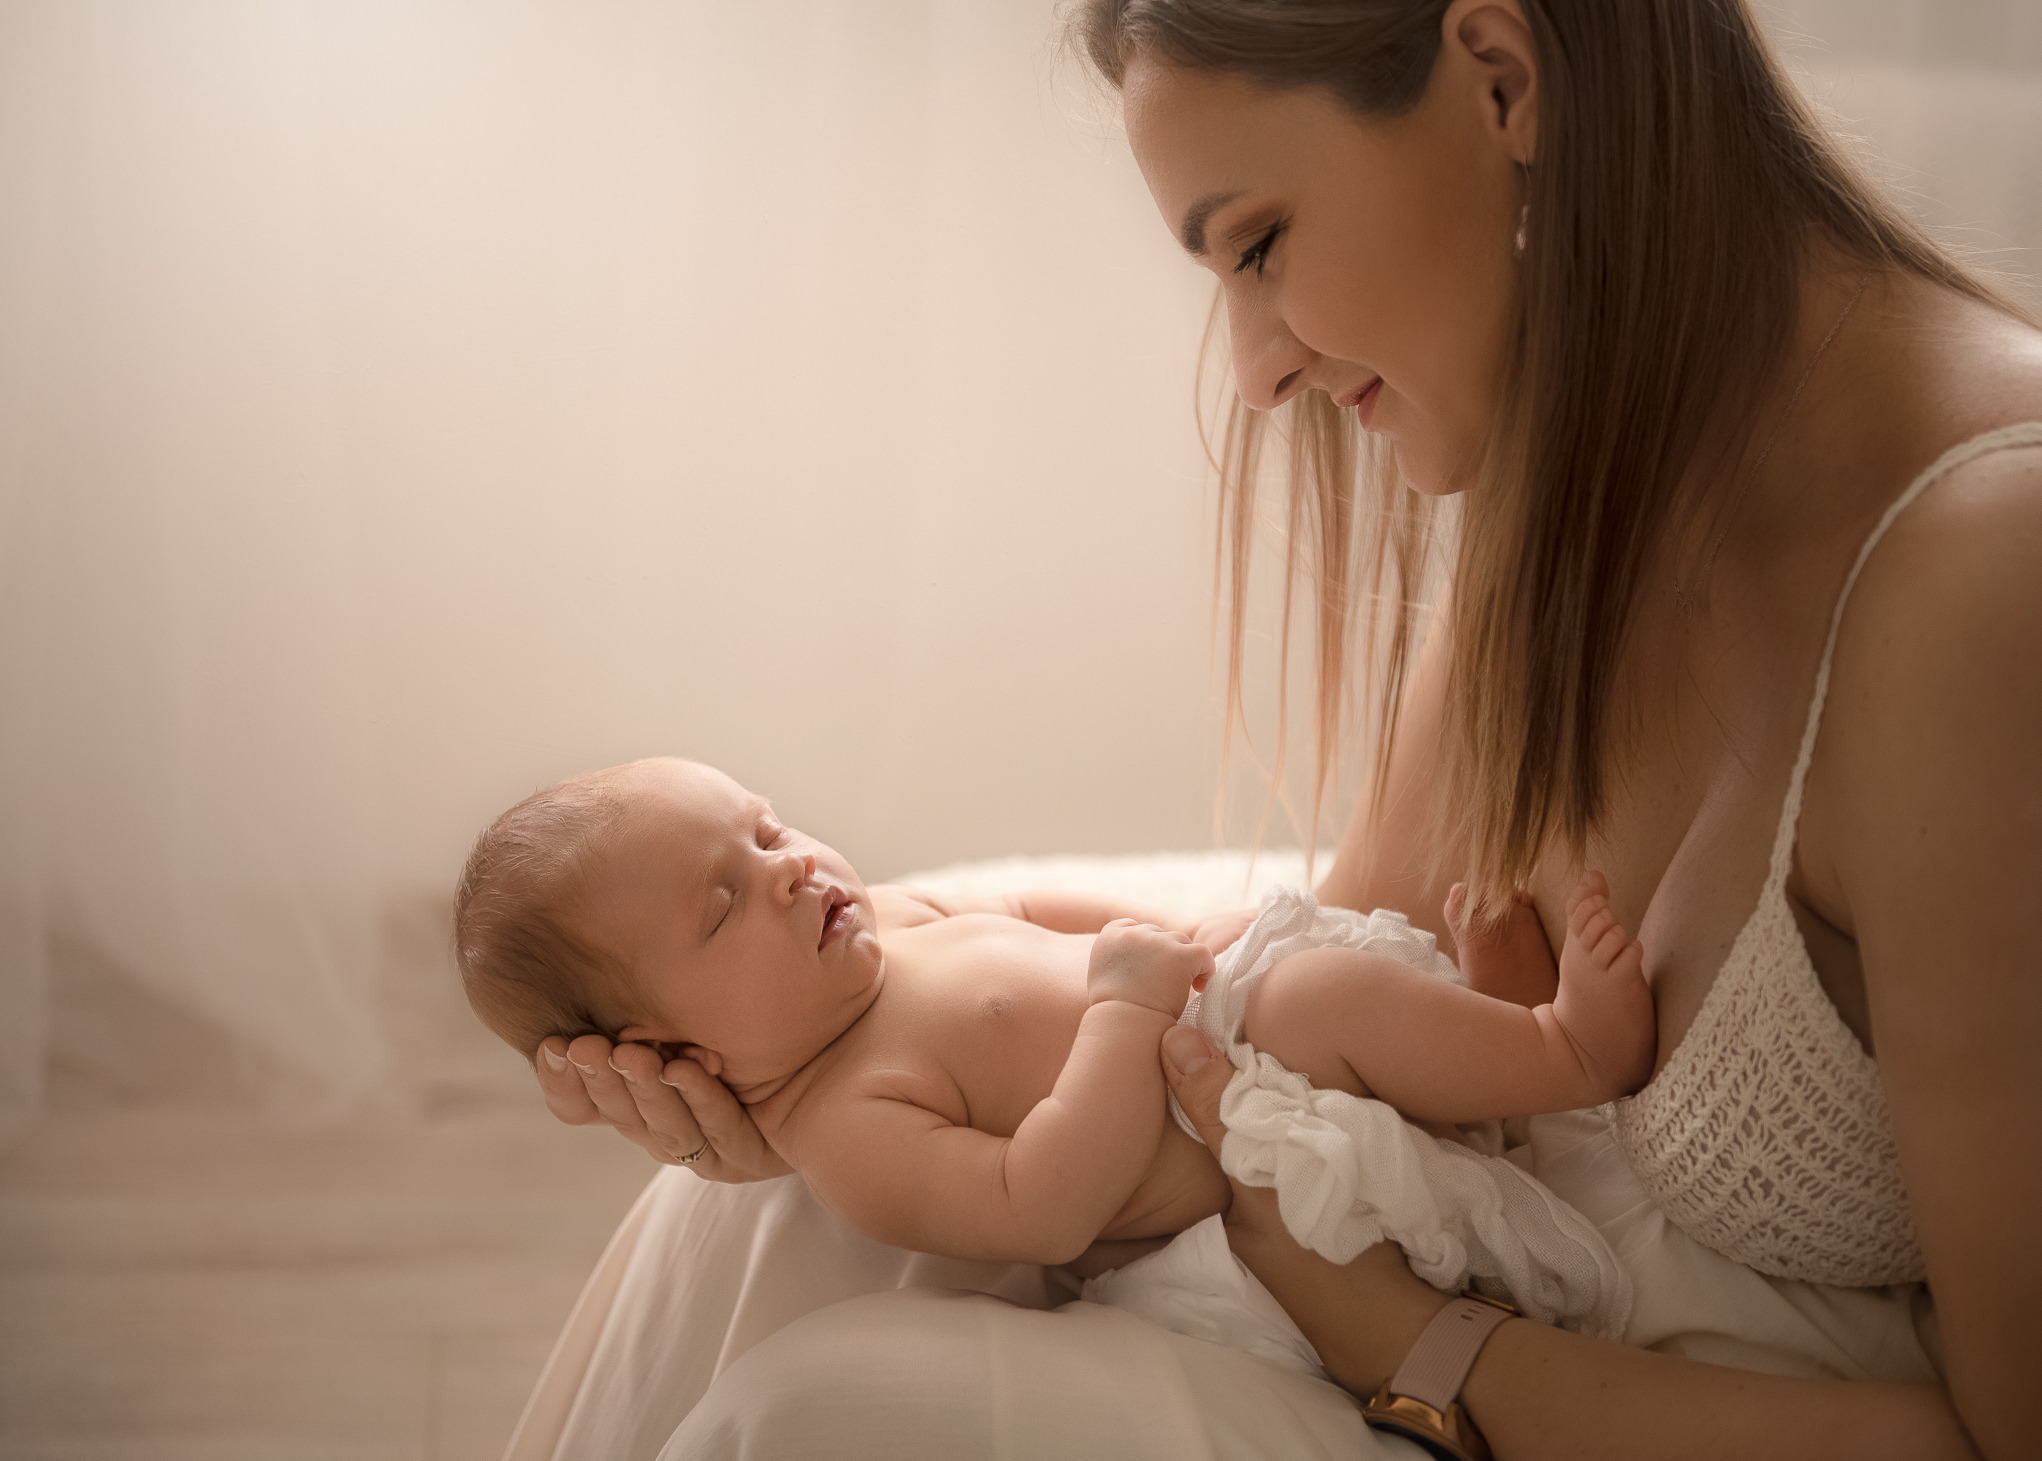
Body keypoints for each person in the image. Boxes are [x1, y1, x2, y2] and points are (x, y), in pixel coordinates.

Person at [523, 0, 2042, 1455]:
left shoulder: (1982, 577)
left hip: (1526, 1380)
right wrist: (801, 1046)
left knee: (812, 1417)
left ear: (1500, 81)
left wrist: (1413, 1349)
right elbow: (1332, 949)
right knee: (780, 1190)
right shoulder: (1576, 440)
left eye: (1257, 244)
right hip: (1417, 1284)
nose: (1252, 374)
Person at [456, 757, 1646, 1268]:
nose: (788, 870)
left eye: (766, 830)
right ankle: (1565, 1050)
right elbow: (1039, 1207)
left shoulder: (884, 922)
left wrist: (1165, 935)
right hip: (1220, 1116)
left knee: (1352, 975)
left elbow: (1026, 904)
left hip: (1192, 1000)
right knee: (1333, 999)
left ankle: (1489, 1023)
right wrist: (1123, 1017)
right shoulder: (844, 1127)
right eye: (725, 902)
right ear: (680, 1052)